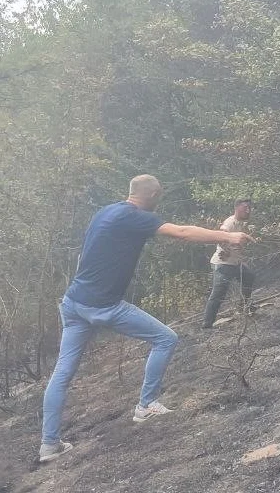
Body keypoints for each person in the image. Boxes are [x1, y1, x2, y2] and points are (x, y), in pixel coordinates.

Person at [38, 175, 252, 463]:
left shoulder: (106, 210)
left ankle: (49, 446)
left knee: (62, 374)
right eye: (160, 195)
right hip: (104, 306)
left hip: (74, 303)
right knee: (166, 338)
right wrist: (228, 236)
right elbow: (182, 232)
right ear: (153, 194)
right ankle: (146, 405)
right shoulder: (134, 216)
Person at [201, 198, 255, 329]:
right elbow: (222, 232)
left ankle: (244, 307)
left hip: (235, 263)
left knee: (249, 277)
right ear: (237, 208)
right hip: (223, 265)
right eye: (245, 208)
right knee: (218, 294)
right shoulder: (230, 222)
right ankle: (207, 324)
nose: (247, 210)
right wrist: (224, 247)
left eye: (249, 208)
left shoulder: (243, 223)